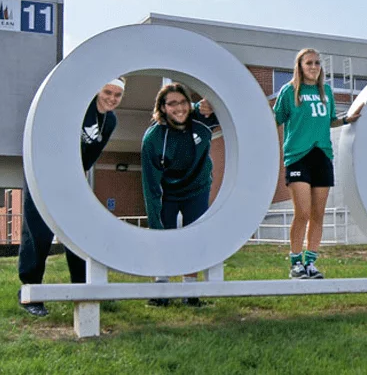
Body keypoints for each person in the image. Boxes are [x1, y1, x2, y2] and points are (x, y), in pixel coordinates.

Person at [17, 77, 125, 317]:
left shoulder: (110, 121)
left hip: (72, 177)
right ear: (97, 89)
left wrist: (75, 178)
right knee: (39, 232)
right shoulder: (78, 105)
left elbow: (90, 157)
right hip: (43, 171)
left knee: (79, 232)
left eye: (118, 95)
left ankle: (83, 288)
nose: (111, 98)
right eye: (108, 91)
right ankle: (30, 292)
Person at [274, 48, 362, 279]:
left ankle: (311, 263)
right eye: (309, 63)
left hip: (322, 155)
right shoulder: (289, 91)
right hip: (297, 156)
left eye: (317, 63)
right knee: (302, 212)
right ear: (300, 66)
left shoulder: (327, 91)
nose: (314, 67)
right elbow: (275, 120)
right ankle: (295, 263)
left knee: (318, 214)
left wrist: (346, 120)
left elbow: (329, 120)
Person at [141, 82, 219, 306]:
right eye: (172, 103)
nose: (179, 108)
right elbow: (150, 186)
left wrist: (211, 105)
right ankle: (161, 287)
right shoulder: (153, 139)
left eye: (183, 102)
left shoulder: (202, 119)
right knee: (163, 234)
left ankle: (190, 291)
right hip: (168, 191)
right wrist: (154, 220)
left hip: (198, 187)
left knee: (194, 235)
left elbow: (232, 113)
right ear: (163, 108)